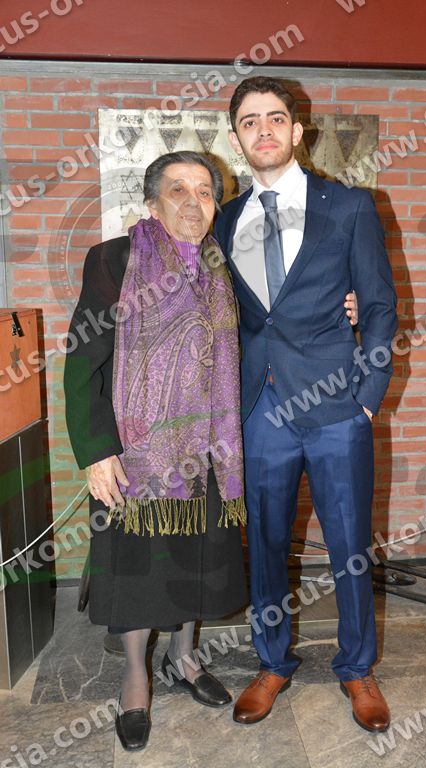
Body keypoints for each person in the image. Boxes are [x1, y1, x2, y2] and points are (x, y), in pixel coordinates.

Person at [214, 76, 397, 733]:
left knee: (349, 545)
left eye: (274, 118)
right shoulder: (224, 219)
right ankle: (272, 663)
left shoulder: (348, 206)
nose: (262, 130)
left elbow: (379, 306)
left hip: (336, 407)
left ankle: (357, 667)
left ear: (296, 131)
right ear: (236, 138)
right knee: (264, 544)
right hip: (260, 409)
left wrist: (367, 400)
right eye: (249, 121)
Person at [64, 151, 248, 752]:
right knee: (137, 570)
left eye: (205, 191)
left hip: (209, 449)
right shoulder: (114, 260)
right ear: (151, 203)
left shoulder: (223, 268)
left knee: (197, 559)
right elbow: (82, 363)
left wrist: (345, 308)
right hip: (136, 456)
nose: (193, 202)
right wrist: (97, 452)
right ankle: (136, 676)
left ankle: (185, 657)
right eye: (178, 190)